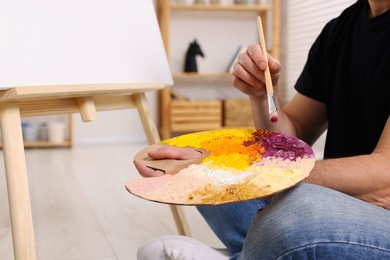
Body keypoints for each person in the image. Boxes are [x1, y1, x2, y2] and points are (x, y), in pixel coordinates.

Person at [135, 0, 390, 259]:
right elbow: (293, 136)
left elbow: (384, 179)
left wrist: (241, 170)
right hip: (340, 201)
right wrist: (261, 95)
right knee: (204, 182)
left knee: (297, 213)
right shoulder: (340, 29)